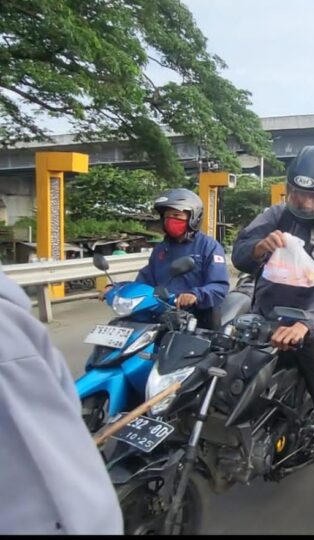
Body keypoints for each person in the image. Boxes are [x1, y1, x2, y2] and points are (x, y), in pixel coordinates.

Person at [231, 145, 314, 512]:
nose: (305, 204)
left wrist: (304, 324)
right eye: (299, 194)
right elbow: (240, 253)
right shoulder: (276, 215)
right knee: (221, 374)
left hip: (309, 327)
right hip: (263, 317)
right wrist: (259, 247)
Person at [0, 270, 123, 534]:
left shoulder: (204, 249)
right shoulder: (12, 327)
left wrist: (195, 295)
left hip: (192, 317)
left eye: (181, 223)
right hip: (155, 314)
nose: (175, 224)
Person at [125, 188, 230, 330]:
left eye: (176, 215)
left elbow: (219, 286)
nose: (170, 220)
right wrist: (120, 289)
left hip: (197, 320)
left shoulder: (209, 246)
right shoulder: (161, 249)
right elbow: (145, 280)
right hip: (162, 315)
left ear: (193, 217)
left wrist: (195, 295)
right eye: (167, 216)